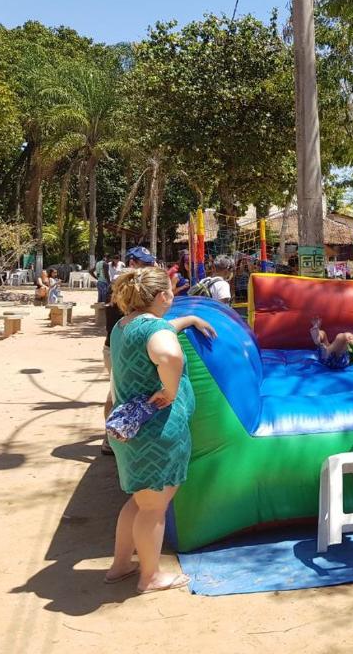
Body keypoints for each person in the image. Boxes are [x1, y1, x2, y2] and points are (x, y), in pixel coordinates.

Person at [103, 266, 216, 593]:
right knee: (153, 507)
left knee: (139, 502)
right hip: (156, 432)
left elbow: (161, 330)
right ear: (164, 296)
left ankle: (121, 564)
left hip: (130, 428)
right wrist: (169, 389)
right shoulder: (158, 333)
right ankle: (150, 576)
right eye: (171, 290)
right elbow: (167, 352)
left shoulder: (125, 326)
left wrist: (190, 320)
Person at [101, 247, 157, 456]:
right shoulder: (125, 286)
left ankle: (112, 437)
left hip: (120, 346)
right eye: (145, 263)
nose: (149, 267)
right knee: (115, 395)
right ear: (132, 263)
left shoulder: (133, 285)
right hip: (117, 347)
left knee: (116, 392)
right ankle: (111, 439)